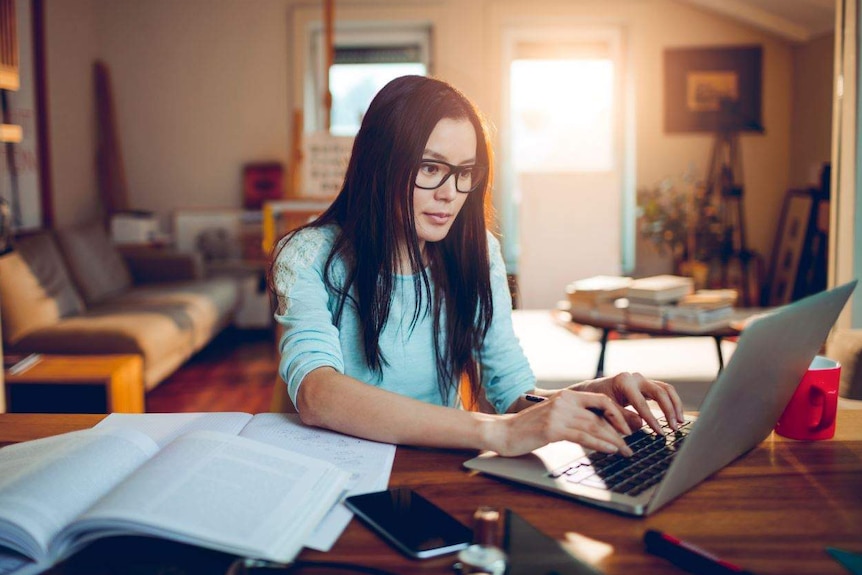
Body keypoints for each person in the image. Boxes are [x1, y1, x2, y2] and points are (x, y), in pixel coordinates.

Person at [270, 75, 683, 458]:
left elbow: (513, 393)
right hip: (336, 464)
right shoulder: (309, 254)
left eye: (465, 172)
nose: (451, 192)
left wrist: (594, 396)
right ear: (381, 165)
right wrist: (498, 433)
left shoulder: (478, 251)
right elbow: (317, 394)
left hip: (434, 466)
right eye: (431, 168)